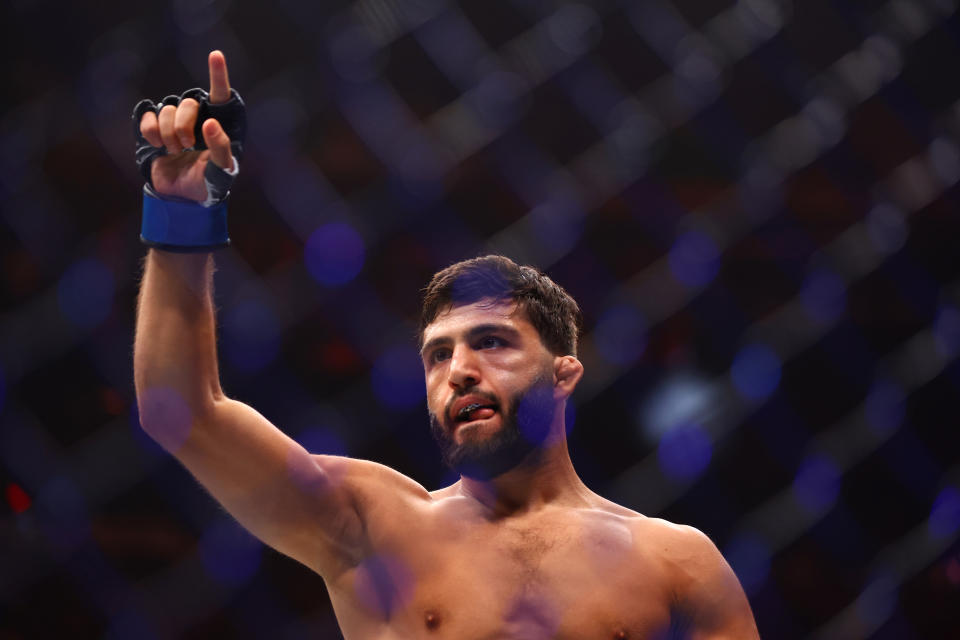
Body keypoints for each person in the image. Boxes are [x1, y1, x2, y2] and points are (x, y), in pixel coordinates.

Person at [133, 50, 761, 639]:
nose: (459, 371)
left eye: (492, 342)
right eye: (438, 354)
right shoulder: (378, 528)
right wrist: (181, 214)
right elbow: (180, 411)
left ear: (564, 372)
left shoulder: (677, 561)